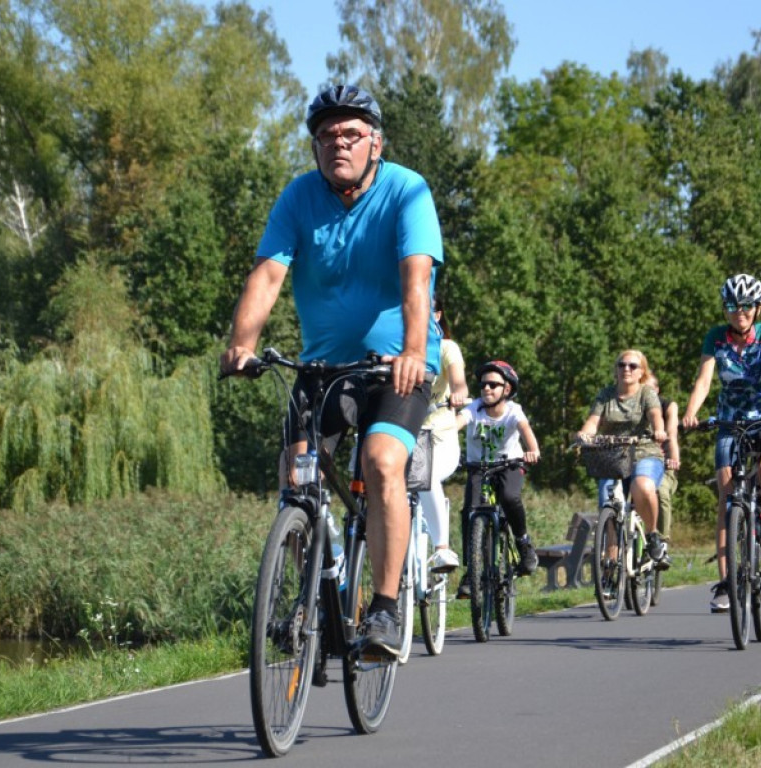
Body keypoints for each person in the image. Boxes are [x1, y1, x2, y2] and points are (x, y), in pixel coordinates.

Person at [219, 84, 443, 658]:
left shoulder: (406, 190)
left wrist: (414, 352)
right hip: (323, 369)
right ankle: (317, 593)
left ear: (375, 141)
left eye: (350, 134)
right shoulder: (297, 198)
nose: (337, 144)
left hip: (397, 366)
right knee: (296, 478)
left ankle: (387, 612)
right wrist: (242, 345)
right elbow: (268, 275)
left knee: (382, 461)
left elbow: (416, 278)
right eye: (326, 136)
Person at [681, 274, 761, 613]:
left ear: (757, 308)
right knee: (726, 493)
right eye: (733, 306)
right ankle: (726, 581)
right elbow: (705, 379)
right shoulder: (715, 338)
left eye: (746, 306)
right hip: (730, 420)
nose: (740, 312)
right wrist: (691, 413)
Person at [576, 350, 670, 569]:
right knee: (607, 500)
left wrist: (659, 430)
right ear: (616, 370)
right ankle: (611, 558)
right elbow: (593, 421)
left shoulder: (647, 394)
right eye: (622, 365)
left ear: (641, 372)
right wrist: (585, 434)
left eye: (632, 366)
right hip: (613, 456)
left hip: (644, 452)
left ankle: (653, 535)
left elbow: (656, 415)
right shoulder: (606, 395)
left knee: (642, 486)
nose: (626, 369)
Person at [455, 360, 541, 597]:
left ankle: (523, 543)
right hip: (478, 467)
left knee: (510, 497)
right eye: (483, 385)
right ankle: (472, 571)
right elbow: (457, 424)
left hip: (508, 465)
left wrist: (533, 450)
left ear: (507, 389)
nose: (486, 389)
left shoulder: (514, 411)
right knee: (470, 512)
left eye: (493, 384)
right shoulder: (473, 408)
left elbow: (525, 431)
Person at [417, 294, 468, 573]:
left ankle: (441, 549)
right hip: (408, 437)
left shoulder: (447, 348)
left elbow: (458, 380)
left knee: (428, 474)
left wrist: (459, 393)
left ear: (437, 316)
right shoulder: (400, 349)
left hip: (440, 438)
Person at [644, 373, 680, 542]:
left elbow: (672, 434)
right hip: (636, 460)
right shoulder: (634, 405)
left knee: (661, 492)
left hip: (662, 462)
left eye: (650, 389)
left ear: (657, 390)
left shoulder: (668, 406)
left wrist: (674, 458)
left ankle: (662, 541)